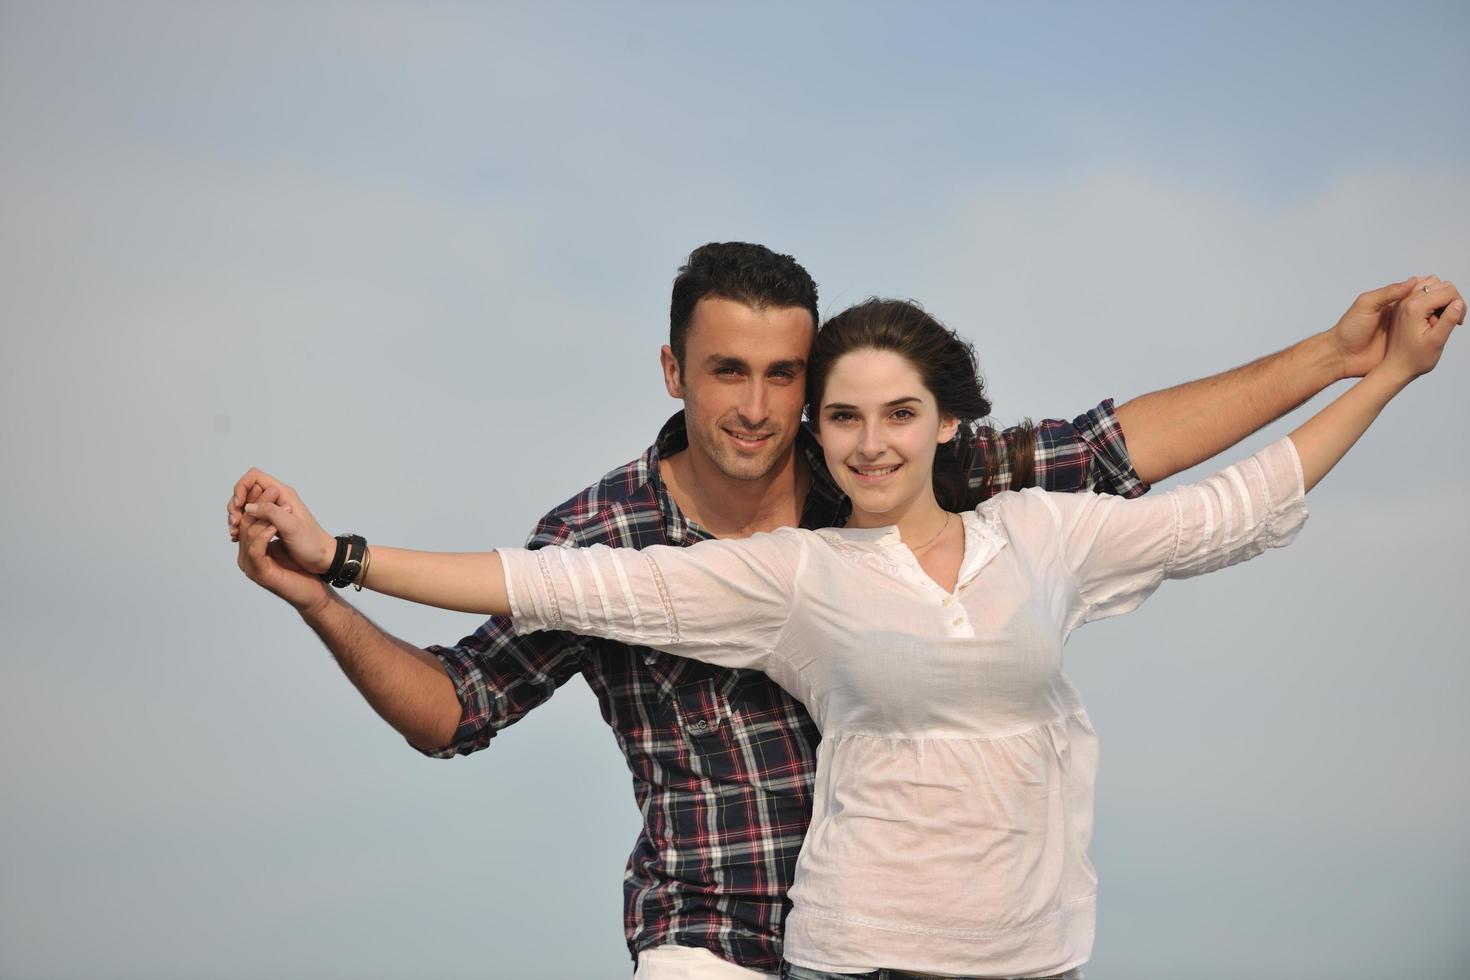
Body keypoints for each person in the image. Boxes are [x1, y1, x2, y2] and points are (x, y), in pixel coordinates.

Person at [228, 243, 1458, 979]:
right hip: (711, 924)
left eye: (783, 376)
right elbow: (452, 706)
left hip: (924, 927)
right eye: (727, 371)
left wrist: (1338, 356)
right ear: (674, 371)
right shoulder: (603, 536)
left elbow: (1113, 456)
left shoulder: (881, 473)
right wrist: (323, 583)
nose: (757, 407)